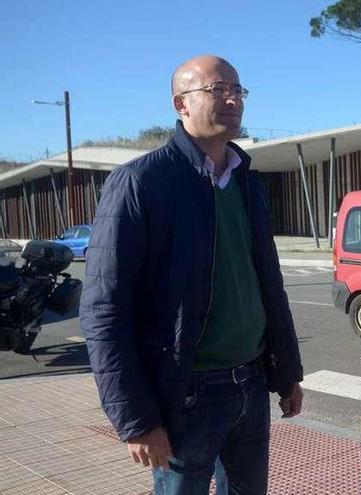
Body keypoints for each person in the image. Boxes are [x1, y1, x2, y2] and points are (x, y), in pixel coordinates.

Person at [80, 55, 304, 495]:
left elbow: (269, 286)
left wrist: (287, 371)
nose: (232, 99)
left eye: (238, 89)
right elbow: (104, 310)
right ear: (180, 104)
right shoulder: (141, 183)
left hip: (250, 383)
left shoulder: (247, 183)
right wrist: (136, 420)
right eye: (217, 89)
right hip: (186, 396)